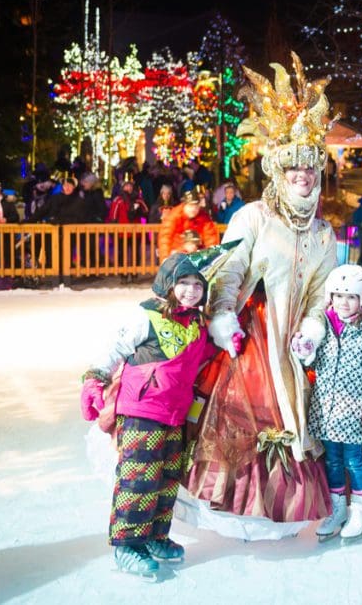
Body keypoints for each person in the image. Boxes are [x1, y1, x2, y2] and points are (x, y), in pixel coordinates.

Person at [176, 53, 339, 540]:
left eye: (309, 171)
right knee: (241, 419)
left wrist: (314, 325)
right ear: (279, 173)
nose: (302, 178)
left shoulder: (325, 232)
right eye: (294, 171)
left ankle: (282, 507)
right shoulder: (253, 216)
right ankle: (234, 505)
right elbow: (229, 272)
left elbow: (322, 293)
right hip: (249, 342)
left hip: (293, 347)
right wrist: (222, 316)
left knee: (292, 417)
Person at [79, 248, 226, 579]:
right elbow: (113, 349)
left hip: (175, 414)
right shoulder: (146, 316)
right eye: (183, 283)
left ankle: (156, 536)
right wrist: (94, 378)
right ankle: (128, 546)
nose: (190, 290)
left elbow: (207, 356)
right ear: (168, 284)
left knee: (166, 479)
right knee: (139, 479)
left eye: (197, 284)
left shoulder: (197, 324)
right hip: (142, 410)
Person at [293, 264, 362, 542]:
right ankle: (336, 509)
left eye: (351, 297)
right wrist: (305, 351)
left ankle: (360, 509)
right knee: (332, 462)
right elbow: (311, 360)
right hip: (326, 412)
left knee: (354, 461)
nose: (343, 303)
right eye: (338, 296)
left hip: (354, 414)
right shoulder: (324, 328)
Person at [157, 189, 219, 262]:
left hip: (197, 254)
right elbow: (165, 237)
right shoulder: (174, 215)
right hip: (176, 254)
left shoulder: (204, 218)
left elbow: (210, 238)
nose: (193, 209)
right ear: (184, 204)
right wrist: (165, 257)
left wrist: (212, 257)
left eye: (196, 206)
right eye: (190, 206)